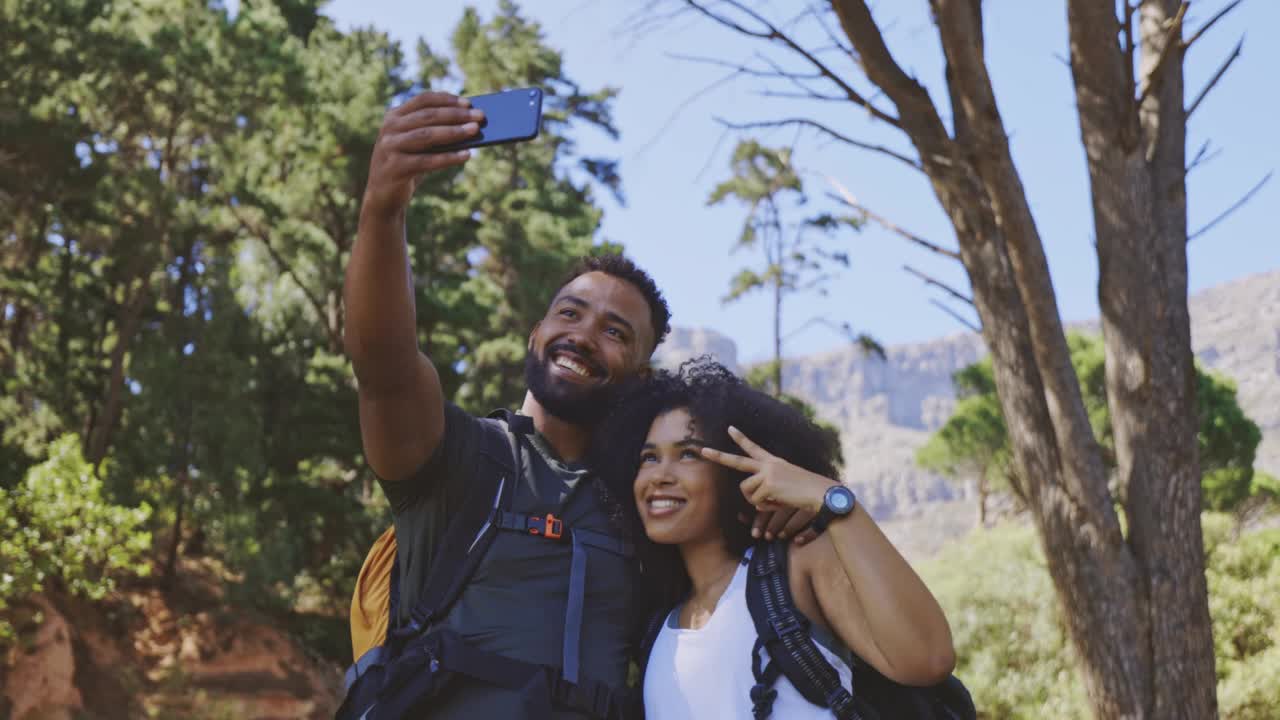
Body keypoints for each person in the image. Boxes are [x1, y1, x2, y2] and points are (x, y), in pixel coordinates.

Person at [341, 90, 813, 718]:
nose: (584, 335)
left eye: (616, 332)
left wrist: (799, 512)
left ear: (641, 374)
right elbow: (384, 364)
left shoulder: (652, 499)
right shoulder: (457, 458)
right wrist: (383, 208)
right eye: (569, 313)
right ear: (534, 336)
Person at [592, 360, 957, 719]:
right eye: (648, 457)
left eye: (688, 454)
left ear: (737, 467)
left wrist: (831, 499)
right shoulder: (656, 624)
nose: (659, 475)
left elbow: (927, 659)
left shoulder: (797, 564)